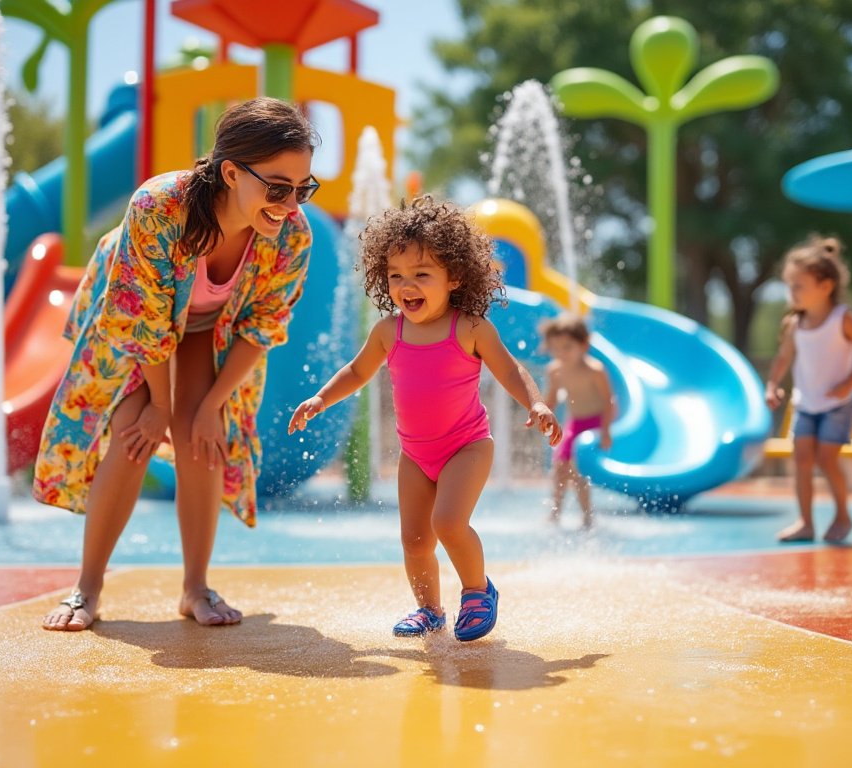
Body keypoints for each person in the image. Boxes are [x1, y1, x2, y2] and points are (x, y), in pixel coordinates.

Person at [34, 97, 320, 631]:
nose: (289, 203)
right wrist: (157, 407)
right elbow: (143, 319)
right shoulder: (159, 207)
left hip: (212, 331)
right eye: (278, 187)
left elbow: (262, 329)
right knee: (132, 433)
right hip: (138, 316)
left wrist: (211, 406)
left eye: (303, 188)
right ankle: (87, 588)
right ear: (232, 173)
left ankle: (195, 588)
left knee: (201, 437)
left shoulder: (292, 236)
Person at [288, 196, 561, 642]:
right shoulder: (387, 332)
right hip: (415, 455)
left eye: (421, 274)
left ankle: (477, 591)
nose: (406, 285)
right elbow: (357, 372)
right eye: (395, 275)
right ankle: (429, 610)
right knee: (415, 541)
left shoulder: (469, 328)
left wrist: (536, 403)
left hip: (467, 446)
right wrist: (321, 398)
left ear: (454, 277)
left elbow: (510, 369)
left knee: (448, 524)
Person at [763, 235, 852, 543]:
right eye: (790, 286)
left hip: (838, 405)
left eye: (798, 285)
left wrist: (848, 383)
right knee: (801, 460)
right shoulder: (794, 325)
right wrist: (772, 385)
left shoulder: (843, 319)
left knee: (826, 460)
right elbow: (783, 359)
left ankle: (843, 515)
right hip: (806, 403)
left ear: (825, 286)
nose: (792, 293)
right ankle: (806, 522)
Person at [540, 313, 615, 529]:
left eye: (567, 347)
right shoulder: (554, 371)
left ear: (583, 344)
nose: (560, 353)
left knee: (577, 469)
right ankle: (555, 512)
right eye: (555, 348)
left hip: (595, 423)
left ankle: (587, 516)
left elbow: (609, 402)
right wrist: (543, 414)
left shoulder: (595, 370)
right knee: (559, 467)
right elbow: (552, 399)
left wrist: (606, 431)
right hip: (575, 423)